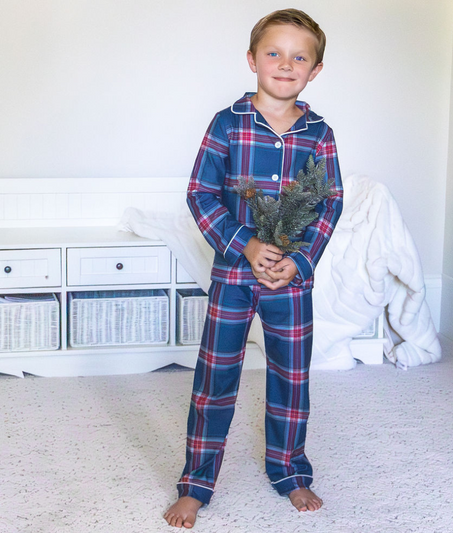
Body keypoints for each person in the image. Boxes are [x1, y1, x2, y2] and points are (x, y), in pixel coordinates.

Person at [164, 8, 343, 528]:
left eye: (300, 57)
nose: (286, 64)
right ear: (252, 60)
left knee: (291, 377)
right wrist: (244, 244)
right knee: (215, 376)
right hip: (234, 275)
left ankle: (289, 471)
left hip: (290, 278)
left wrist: (301, 260)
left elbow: (329, 203)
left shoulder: (319, 134)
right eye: (274, 53)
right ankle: (197, 483)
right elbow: (200, 193)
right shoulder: (227, 123)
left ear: (315, 70)